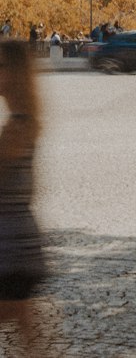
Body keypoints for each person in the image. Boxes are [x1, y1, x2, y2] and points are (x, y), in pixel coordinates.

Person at [0, 40, 48, 357]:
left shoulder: (17, 129)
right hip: (17, 245)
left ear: (14, 73)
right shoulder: (21, 122)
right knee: (28, 330)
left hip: (11, 250)